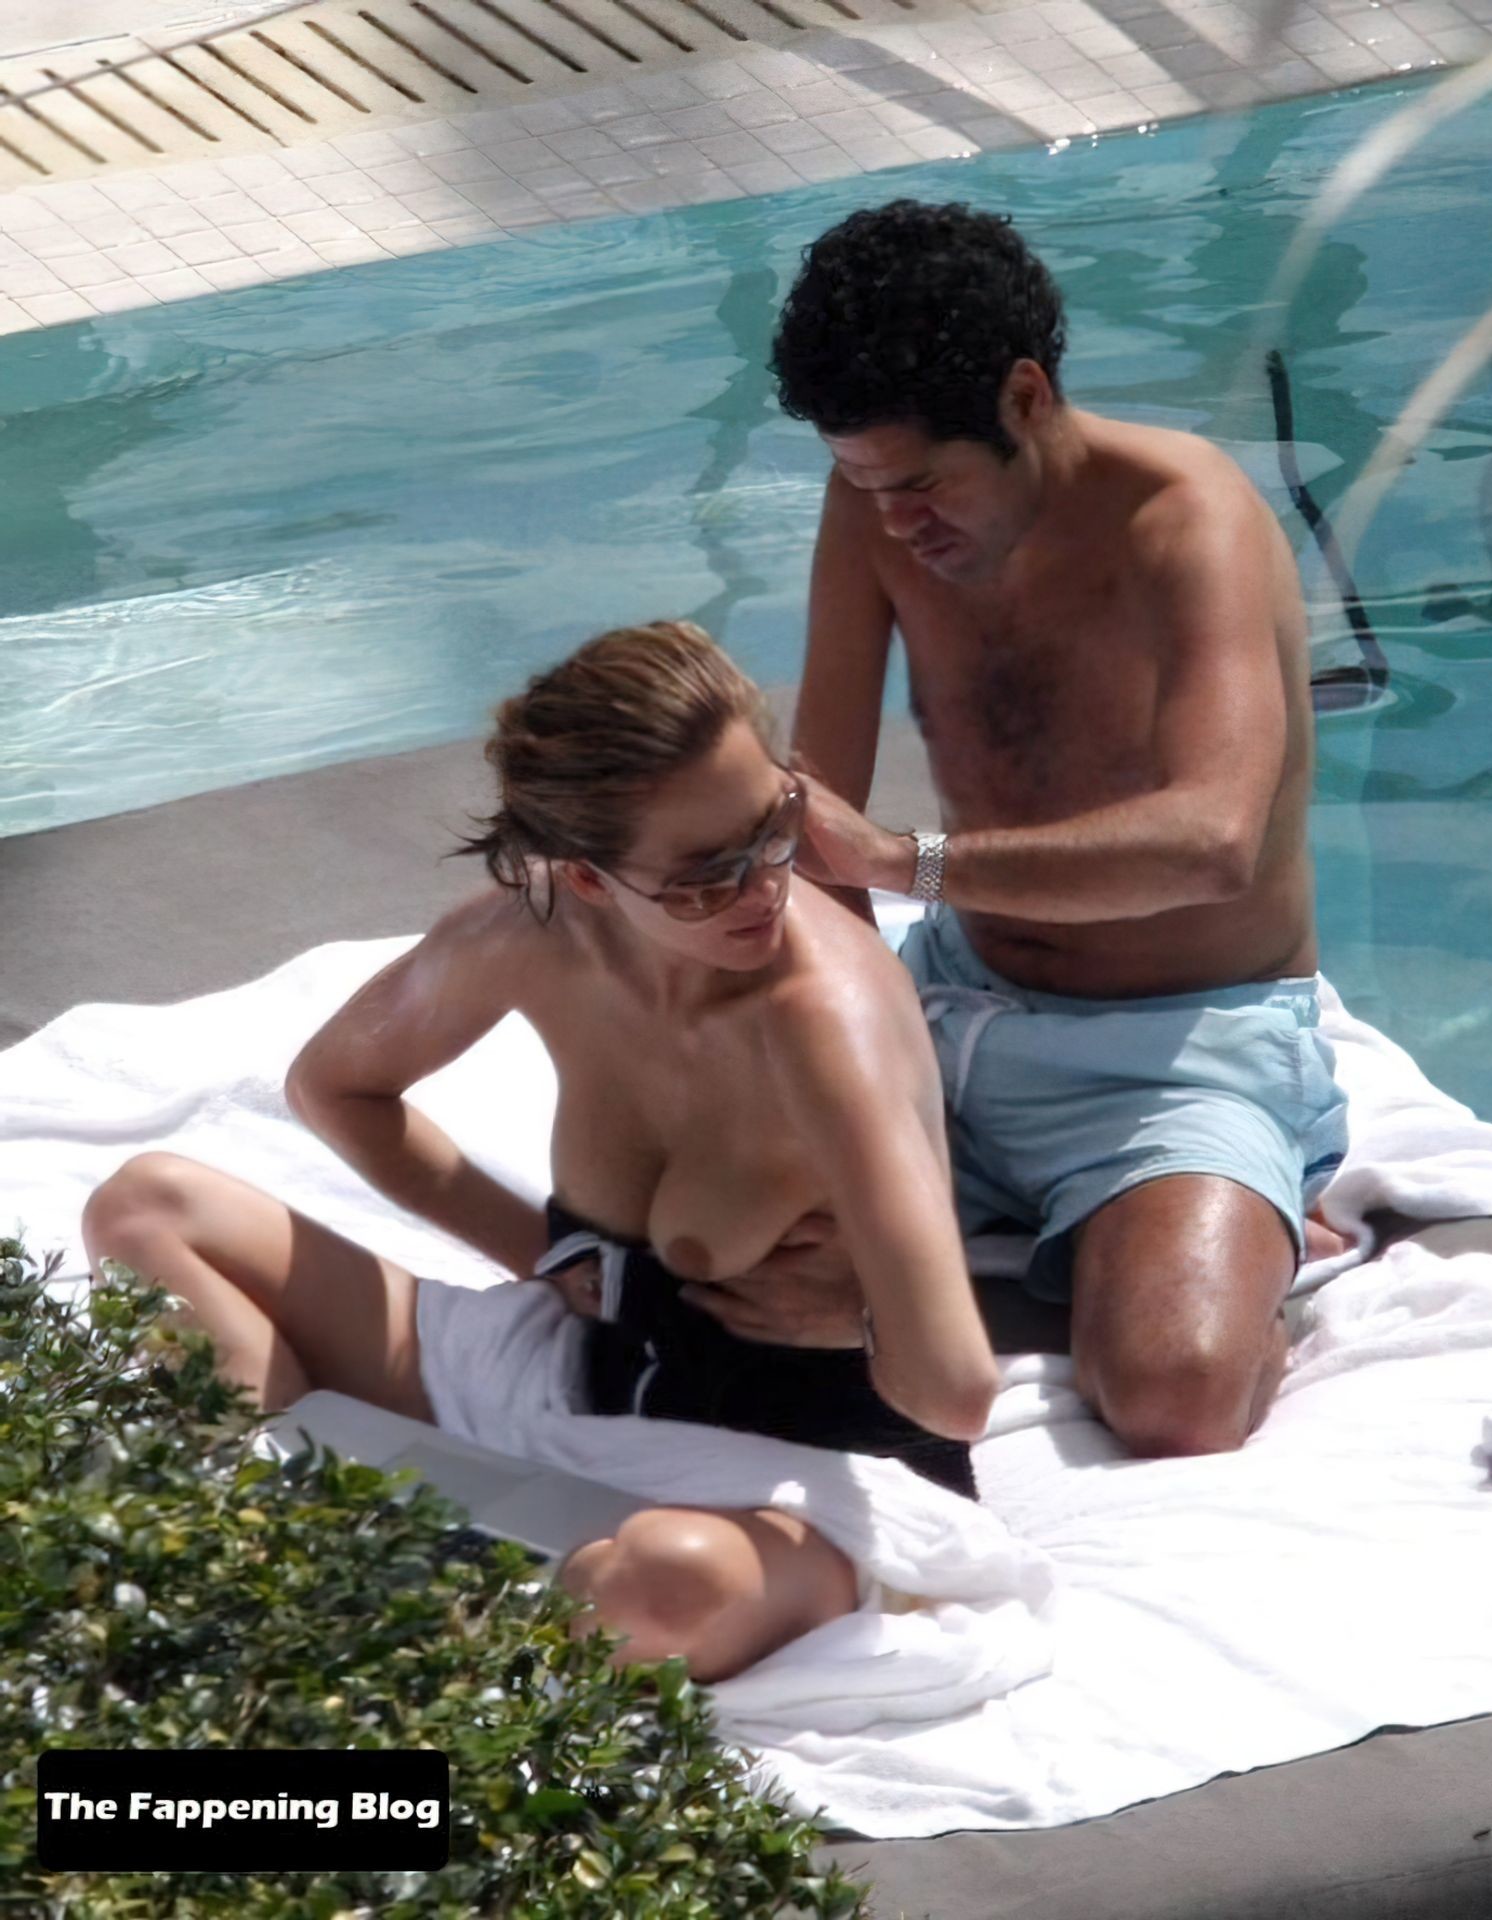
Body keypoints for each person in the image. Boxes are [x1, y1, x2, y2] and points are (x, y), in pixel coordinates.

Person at [81, 620, 1002, 1684]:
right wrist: (546, 1258)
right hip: (583, 1374)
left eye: (777, 826)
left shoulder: (821, 1024)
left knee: (662, 1584)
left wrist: (872, 1316)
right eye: (704, 876)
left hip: (811, 1465)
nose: (764, 888)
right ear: (589, 880)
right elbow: (337, 1088)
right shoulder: (535, 933)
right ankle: (280, 1524)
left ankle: (311, 1577)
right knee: (147, 1209)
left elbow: (956, 1389)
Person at [737, 198, 1350, 1461]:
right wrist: (850, 1043)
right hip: (949, 1004)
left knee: (1174, 1394)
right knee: (706, 1266)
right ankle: (1115, 1237)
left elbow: (1210, 842)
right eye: (864, 484)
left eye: (921, 484)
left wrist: (906, 863)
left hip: (1176, 1052)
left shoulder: (1186, 519)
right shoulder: (872, 503)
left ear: (1024, 397)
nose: (894, 522)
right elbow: (814, 814)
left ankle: (1235, 1221)